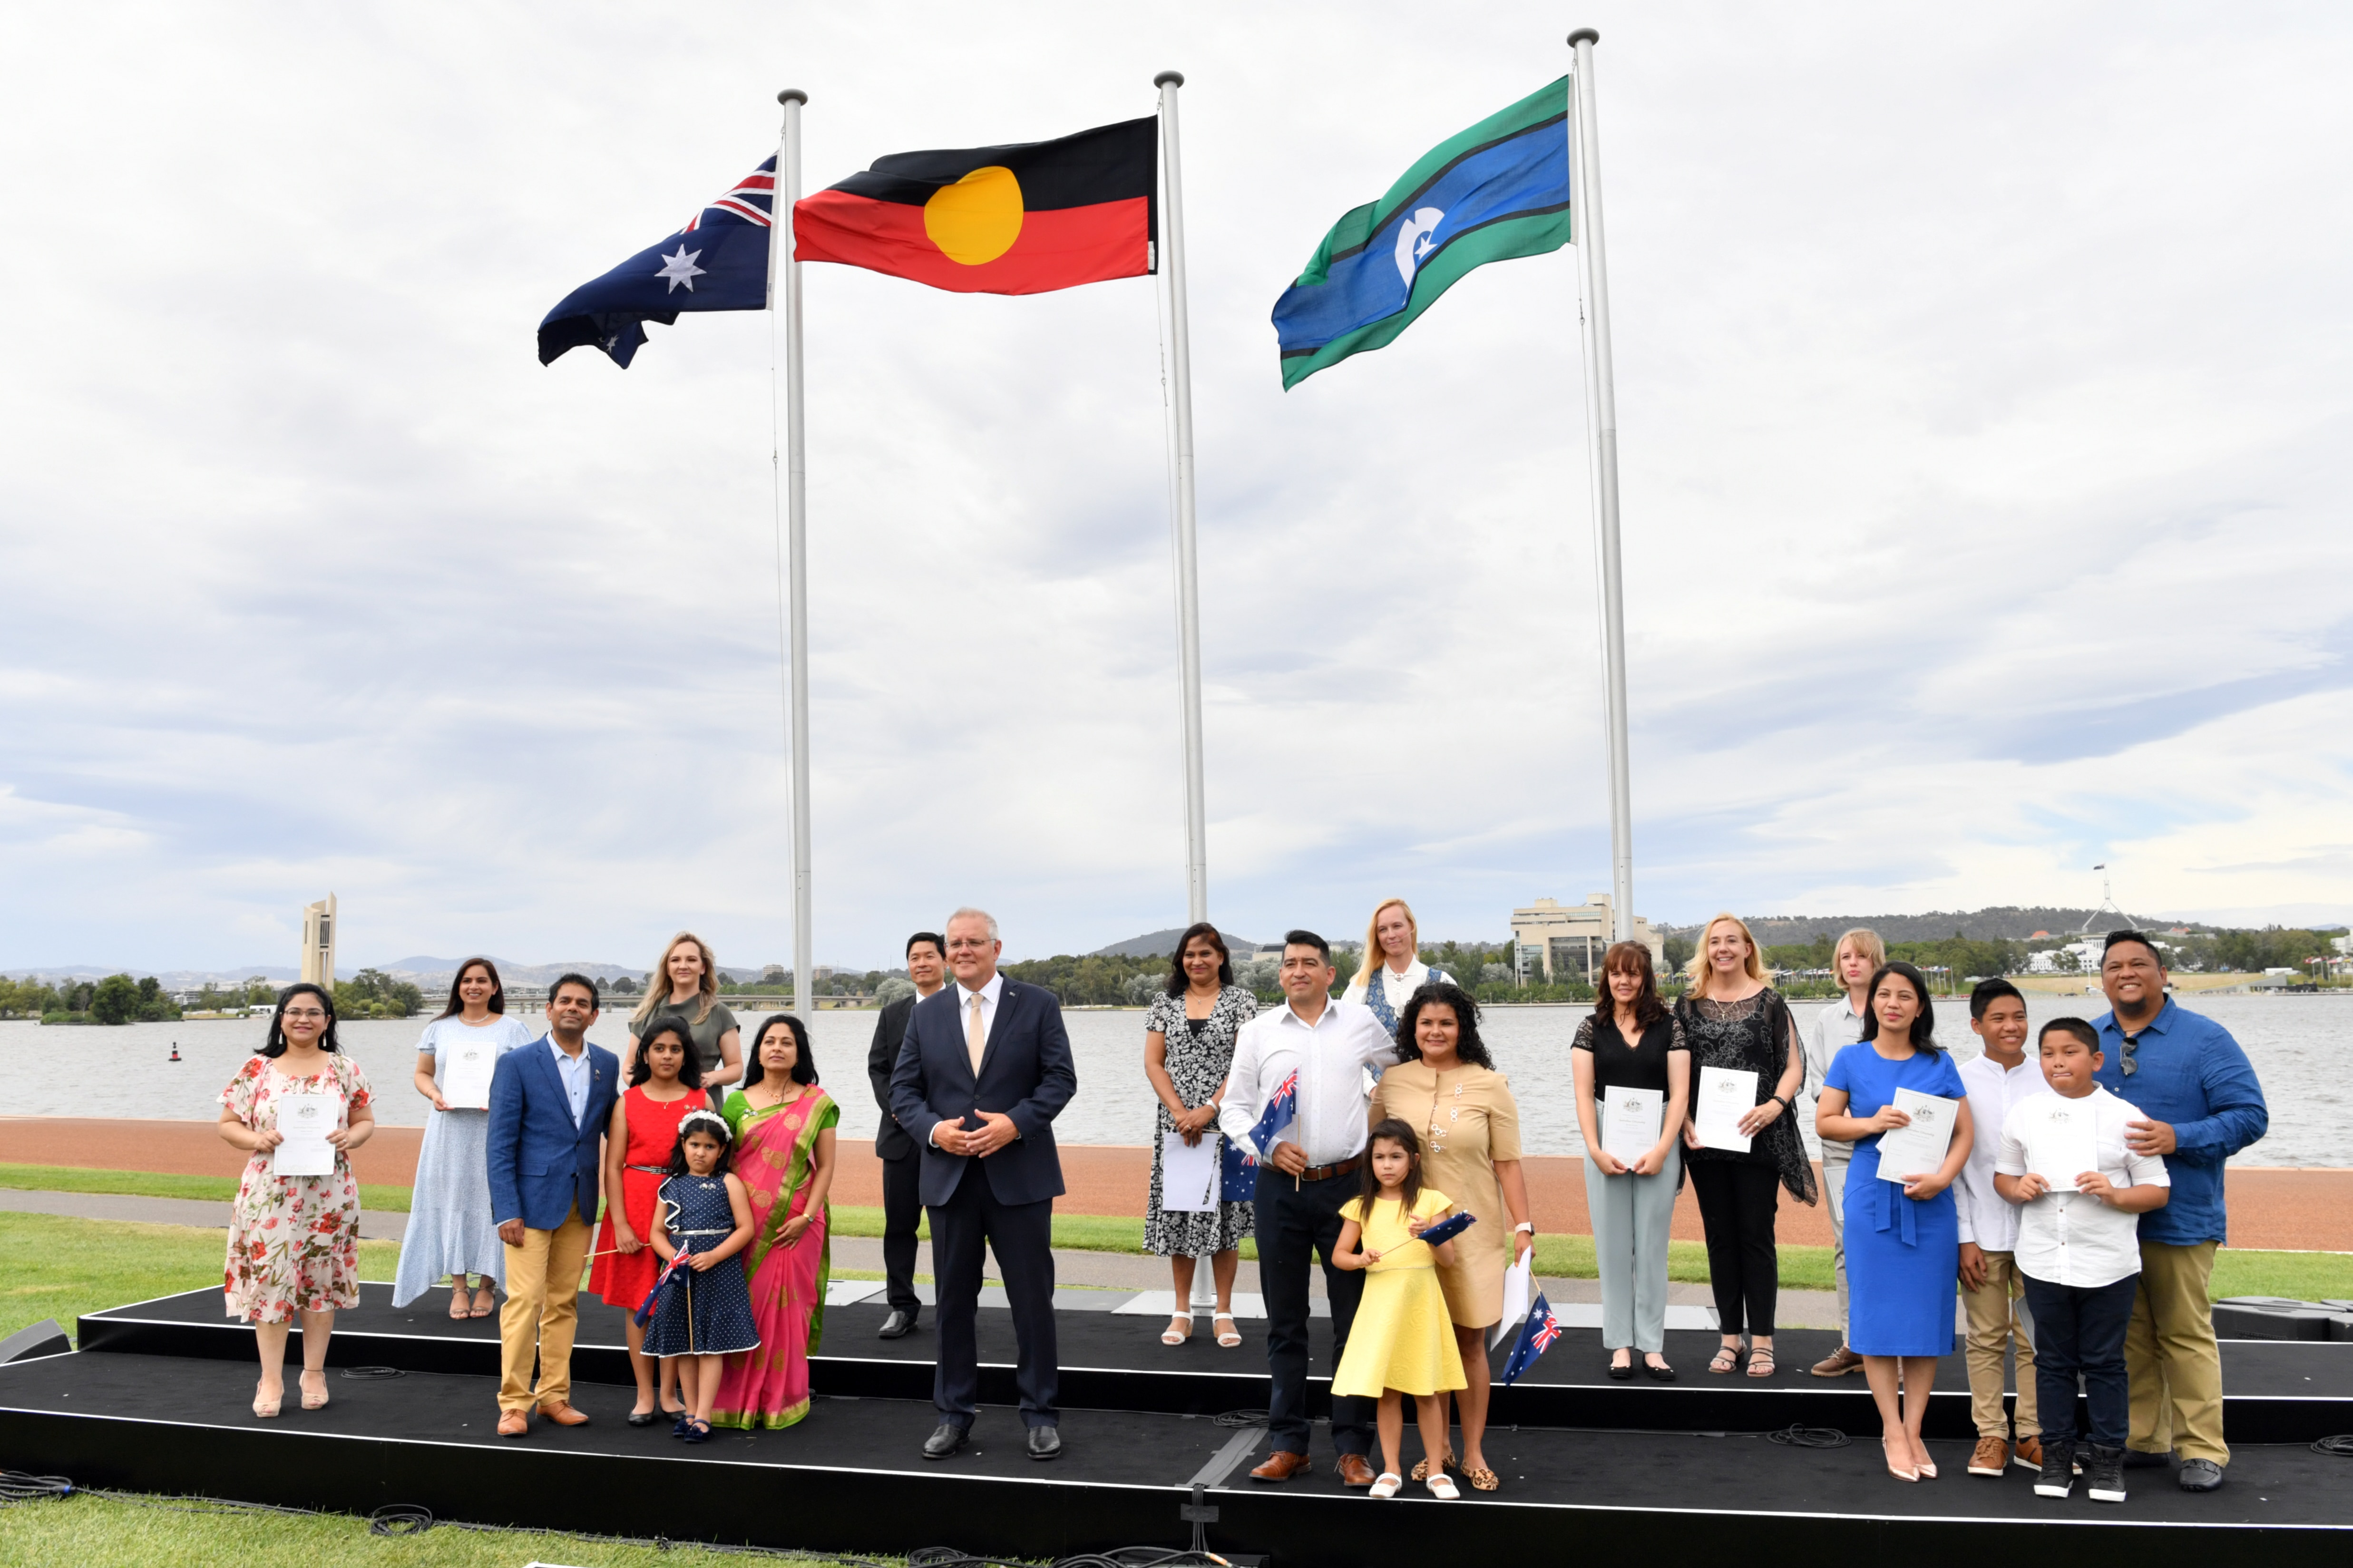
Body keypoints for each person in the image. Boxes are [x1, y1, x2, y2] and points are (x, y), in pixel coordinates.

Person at [888, 907, 1077, 1462]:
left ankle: (1041, 1415)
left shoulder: (1037, 1004)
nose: (962, 951)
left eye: (974, 942)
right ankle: (954, 1415)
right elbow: (904, 1092)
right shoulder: (926, 1015)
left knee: (1031, 1303)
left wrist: (1014, 1123)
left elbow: (1061, 1079)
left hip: (1019, 1178)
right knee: (951, 1305)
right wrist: (933, 1132)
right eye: (954, 943)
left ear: (998, 948)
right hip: (949, 1181)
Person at [1218, 929, 1399, 1490]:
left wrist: (1382, 1117)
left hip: (1346, 1189)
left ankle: (1351, 1447)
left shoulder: (1360, 1024)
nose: (1299, 971)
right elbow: (1233, 1109)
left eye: (1310, 963)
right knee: (1286, 1323)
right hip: (1279, 1190)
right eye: (1290, 963)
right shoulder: (1258, 1031)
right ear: (1281, 976)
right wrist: (1267, 1145)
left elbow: (1401, 1065)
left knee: (1352, 1322)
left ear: (1329, 973)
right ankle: (1289, 1444)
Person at [2090, 930, 2268, 1493]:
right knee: (2130, 1335)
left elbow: (2249, 1116)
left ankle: (2202, 1450)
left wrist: (2179, 1136)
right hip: (2109, 1220)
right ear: (2103, 979)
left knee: (2185, 1333)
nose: (2126, 973)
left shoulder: (2207, 1040)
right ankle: (2145, 1438)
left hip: (2181, 1218)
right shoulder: (2087, 1040)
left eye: (2139, 963)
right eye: (2114, 965)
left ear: (2163, 974)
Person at [1996, 1019, 2172, 1505]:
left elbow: (2157, 1190)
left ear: (2095, 1060)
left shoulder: (2124, 1117)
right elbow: (2004, 1178)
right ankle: (2056, 1457)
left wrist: (2115, 1195)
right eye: (2049, 1053)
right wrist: (2019, 1187)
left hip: (2108, 1263)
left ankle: (2108, 1461)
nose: (2057, 1062)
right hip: (2043, 1260)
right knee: (2052, 1363)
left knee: (2105, 1364)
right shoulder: (2024, 1114)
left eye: (2070, 1052)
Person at [1817, 961, 1973, 1482]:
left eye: (1905, 995)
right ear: (1873, 1003)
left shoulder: (1939, 1064)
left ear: (1920, 1006)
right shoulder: (1850, 1058)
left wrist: (1942, 1179)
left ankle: (1915, 1428)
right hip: (1870, 1201)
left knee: (1926, 1321)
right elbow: (1825, 1122)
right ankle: (1891, 1429)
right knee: (1880, 1320)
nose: (1893, 1003)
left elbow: (1964, 1136)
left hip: (1929, 1203)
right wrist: (1871, 1122)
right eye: (1885, 994)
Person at [1373, 980, 1531, 1491]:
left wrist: (1523, 1227)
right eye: (1426, 1023)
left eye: (1446, 1022)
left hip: (1474, 1234)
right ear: (1412, 1029)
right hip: (1410, 1235)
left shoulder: (1490, 1083)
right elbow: (1378, 1157)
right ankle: (1435, 1449)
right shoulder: (1392, 1083)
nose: (1436, 1031)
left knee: (1469, 1344)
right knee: (1424, 1343)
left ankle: (1474, 1452)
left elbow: (1507, 1163)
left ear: (1461, 1028)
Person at [216, 983, 376, 1418]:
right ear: (281, 1018)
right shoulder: (257, 1069)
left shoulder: (345, 1069)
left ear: (328, 1020)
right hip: (270, 1194)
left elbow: (365, 1121)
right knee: (271, 1282)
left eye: (313, 1012)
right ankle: (270, 1377)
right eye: (294, 1011)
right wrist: (257, 1137)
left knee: (318, 1282)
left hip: (328, 1194)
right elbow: (228, 1124)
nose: (303, 1019)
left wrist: (352, 1137)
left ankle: (314, 1371)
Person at [1676, 913, 1815, 1378]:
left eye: (1732, 941)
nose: (1723, 949)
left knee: (1756, 1237)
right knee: (1720, 1239)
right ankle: (1729, 1339)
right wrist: (1685, 1120)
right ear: (1706, 951)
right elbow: (1674, 1072)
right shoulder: (1687, 1006)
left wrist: (1776, 1105)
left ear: (1748, 948)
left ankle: (1763, 1342)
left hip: (1759, 1135)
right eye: (1715, 942)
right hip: (1706, 1142)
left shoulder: (1771, 1003)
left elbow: (1794, 1065)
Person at [485, 973, 619, 1438]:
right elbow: (500, 1143)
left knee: (564, 1302)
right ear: (548, 1008)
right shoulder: (518, 1064)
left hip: (581, 1204)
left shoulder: (607, 1064)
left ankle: (555, 1397)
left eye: (583, 1003)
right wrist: (506, 1209)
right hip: (528, 1205)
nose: (573, 1008)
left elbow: (615, 1129)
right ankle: (514, 1404)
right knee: (525, 1301)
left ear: (595, 1015)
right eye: (565, 1001)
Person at [712, 1014, 839, 1431]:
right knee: (744, 1305)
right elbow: (724, 1164)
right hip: (745, 1221)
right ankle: (736, 1399)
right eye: (769, 1040)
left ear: (799, 1051)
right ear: (758, 1050)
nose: (777, 1047)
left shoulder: (816, 1102)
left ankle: (783, 1398)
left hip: (797, 1223)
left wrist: (805, 1217)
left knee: (788, 1309)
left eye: (787, 1041)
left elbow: (824, 1169)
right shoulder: (736, 1102)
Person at [1571, 942, 1689, 1383]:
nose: (1624, 981)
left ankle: (1653, 1347)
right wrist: (1594, 1148)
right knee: (1614, 1248)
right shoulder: (1589, 1027)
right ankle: (1621, 1344)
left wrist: (1663, 1147)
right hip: (1606, 1140)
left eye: (1633, 973)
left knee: (1653, 1247)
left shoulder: (1671, 1027)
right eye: (1616, 973)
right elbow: (1584, 1093)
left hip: (1658, 1139)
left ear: (1646, 978)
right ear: (1606, 977)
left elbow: (1679, 1093)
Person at [1332, 1120, 1466, 1500]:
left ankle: (1436, 1470)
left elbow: (1448, 1259)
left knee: (1425, 1389)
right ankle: (1391, 1469)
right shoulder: (1360, 1206)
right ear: (1368, 1162)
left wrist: (1430, 1234)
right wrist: (1360, 1259)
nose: (1387, 1165)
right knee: (1388, 1391)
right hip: (1381, 1304)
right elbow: (1339, 1255)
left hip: (1420, 1302)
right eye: (1378, 1157)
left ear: (1414, 1159)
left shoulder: (1431, 1202)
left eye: (1395, 1156)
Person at [395, 958, 535, 1317]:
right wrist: (434, 1094)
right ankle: (458, 1285)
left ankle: (487, 1285)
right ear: (458, 987)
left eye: (482, 980)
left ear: (495, 987)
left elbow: (527, 1080)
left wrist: (504, 1101)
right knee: (452, 1199)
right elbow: (423, 1073)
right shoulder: (438, 1028)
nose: (474, 986)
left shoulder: (514, 1029)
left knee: (494, 1200)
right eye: (467, 980)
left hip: (496, 1131)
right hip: (449, 1131)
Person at [1142, 921, 1259, 1348]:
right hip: (1177, 1127)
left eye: (1205, 954)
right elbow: (1155, 1063)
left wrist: (1209, 1109)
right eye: (1190, 954)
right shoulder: (1164, 1002)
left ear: (1221, 957)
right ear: (1181, 959)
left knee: (1225, 1217)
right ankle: (1182, 1311)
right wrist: (1180, 1112)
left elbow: (1246, 1067)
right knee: (1181, 1214)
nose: (1197, 961)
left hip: (1225, 1121)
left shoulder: (1241, 1001)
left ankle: (1224, 1312)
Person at [587, 1014, 703, 1423]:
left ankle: (670, 1394)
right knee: (639, 1301)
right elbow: (613, 1166)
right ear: (645, 1054)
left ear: (685, 1052)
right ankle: (643, 1394)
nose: (667, 1055)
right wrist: (620, 1223)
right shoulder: (628, 1100)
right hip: (635, 1205)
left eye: (675, 1048)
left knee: (674, 1300)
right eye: (659, 1048)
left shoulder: (699, 1099)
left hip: (681, 1208)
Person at [1955, 978, 2046, 1475]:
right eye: (1998, 1019)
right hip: (1982, 1234)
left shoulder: (2050, 1077)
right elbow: (1955, 1165)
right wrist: (1963, 1235)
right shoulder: (1959, 1080)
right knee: (1986, 1336)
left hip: (2041, 1234)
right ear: (1976, 1026)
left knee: (2036, 1337)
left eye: (2019, 1016)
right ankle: (1991, 1436)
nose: (2011, 1027)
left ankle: (2032, 1434)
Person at [644, 1110, 759, 1444]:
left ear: (721, 1150)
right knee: (685, 1345)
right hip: (680, 1274)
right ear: (684, 1144)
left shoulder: (729, 1182)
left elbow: (746, 1228)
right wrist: (672, 1258)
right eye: (694, 1144)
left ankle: (705, 1415)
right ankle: (690, 1412)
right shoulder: (671, 1186)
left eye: (710, 1146)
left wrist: (714, 1255)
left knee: (710, 1346)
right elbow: (656, 1233)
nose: (701, 1152)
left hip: (718, 1272)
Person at [1803, 927, 1884, 1377]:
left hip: (1890, 1149)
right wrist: (1854, 1118)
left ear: (1876, 960)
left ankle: (1889, 1342)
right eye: (1845, 956)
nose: (1852, 963)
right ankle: (1852, 1343)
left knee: (1887, 1242)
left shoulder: (1894, 1008)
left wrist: (1873, 1119)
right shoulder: (1826, 1021)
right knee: (1846, 1244)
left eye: (1861, 956)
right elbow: (1819, 1084)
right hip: (1839, 1150)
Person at [865, 932, 947, 1339]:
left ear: (945, 961)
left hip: (952, 1137)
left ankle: (955, 1306)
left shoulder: (962, 1010)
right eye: (914, 957)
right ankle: (901, 1305)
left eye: (929, 956)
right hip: (900, 1137)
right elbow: (879, 1068)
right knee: (899, 1226)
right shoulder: (893, 1013)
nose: (921, 963)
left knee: (953, 1229)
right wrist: (899, 1110)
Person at [626, 931, 743, 1101]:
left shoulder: (719, 1012)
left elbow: (737, 1068)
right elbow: (629, 1066)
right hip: (653, 1107)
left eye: (691, 960)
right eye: (676, 960)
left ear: (703, 967)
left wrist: (711, 1078)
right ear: (668, 968)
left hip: (703, 1107)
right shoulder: (647, 1011)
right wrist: (644, 1092)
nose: (683, 966)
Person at [1341, 898, 1453, 1038]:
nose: (1391, 935)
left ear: (1411, 926)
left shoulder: (1442, 981)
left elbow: (1461, 1037)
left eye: (1397, 926)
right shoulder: (1361, 985)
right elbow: (1344, 1037)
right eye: (1383, 930)